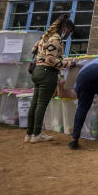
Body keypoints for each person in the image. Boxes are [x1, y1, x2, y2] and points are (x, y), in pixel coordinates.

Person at [26, 15, 79, 144]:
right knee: (41, 105)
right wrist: (68, 64)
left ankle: (29, 134)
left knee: (34, 104)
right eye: (69, 31)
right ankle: (37, 134)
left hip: (37, 72)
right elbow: (50, 60)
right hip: (47, 73)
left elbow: (34, 50)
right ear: (65, 28)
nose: (69, 35)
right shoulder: (55, 39)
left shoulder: (44, 37)